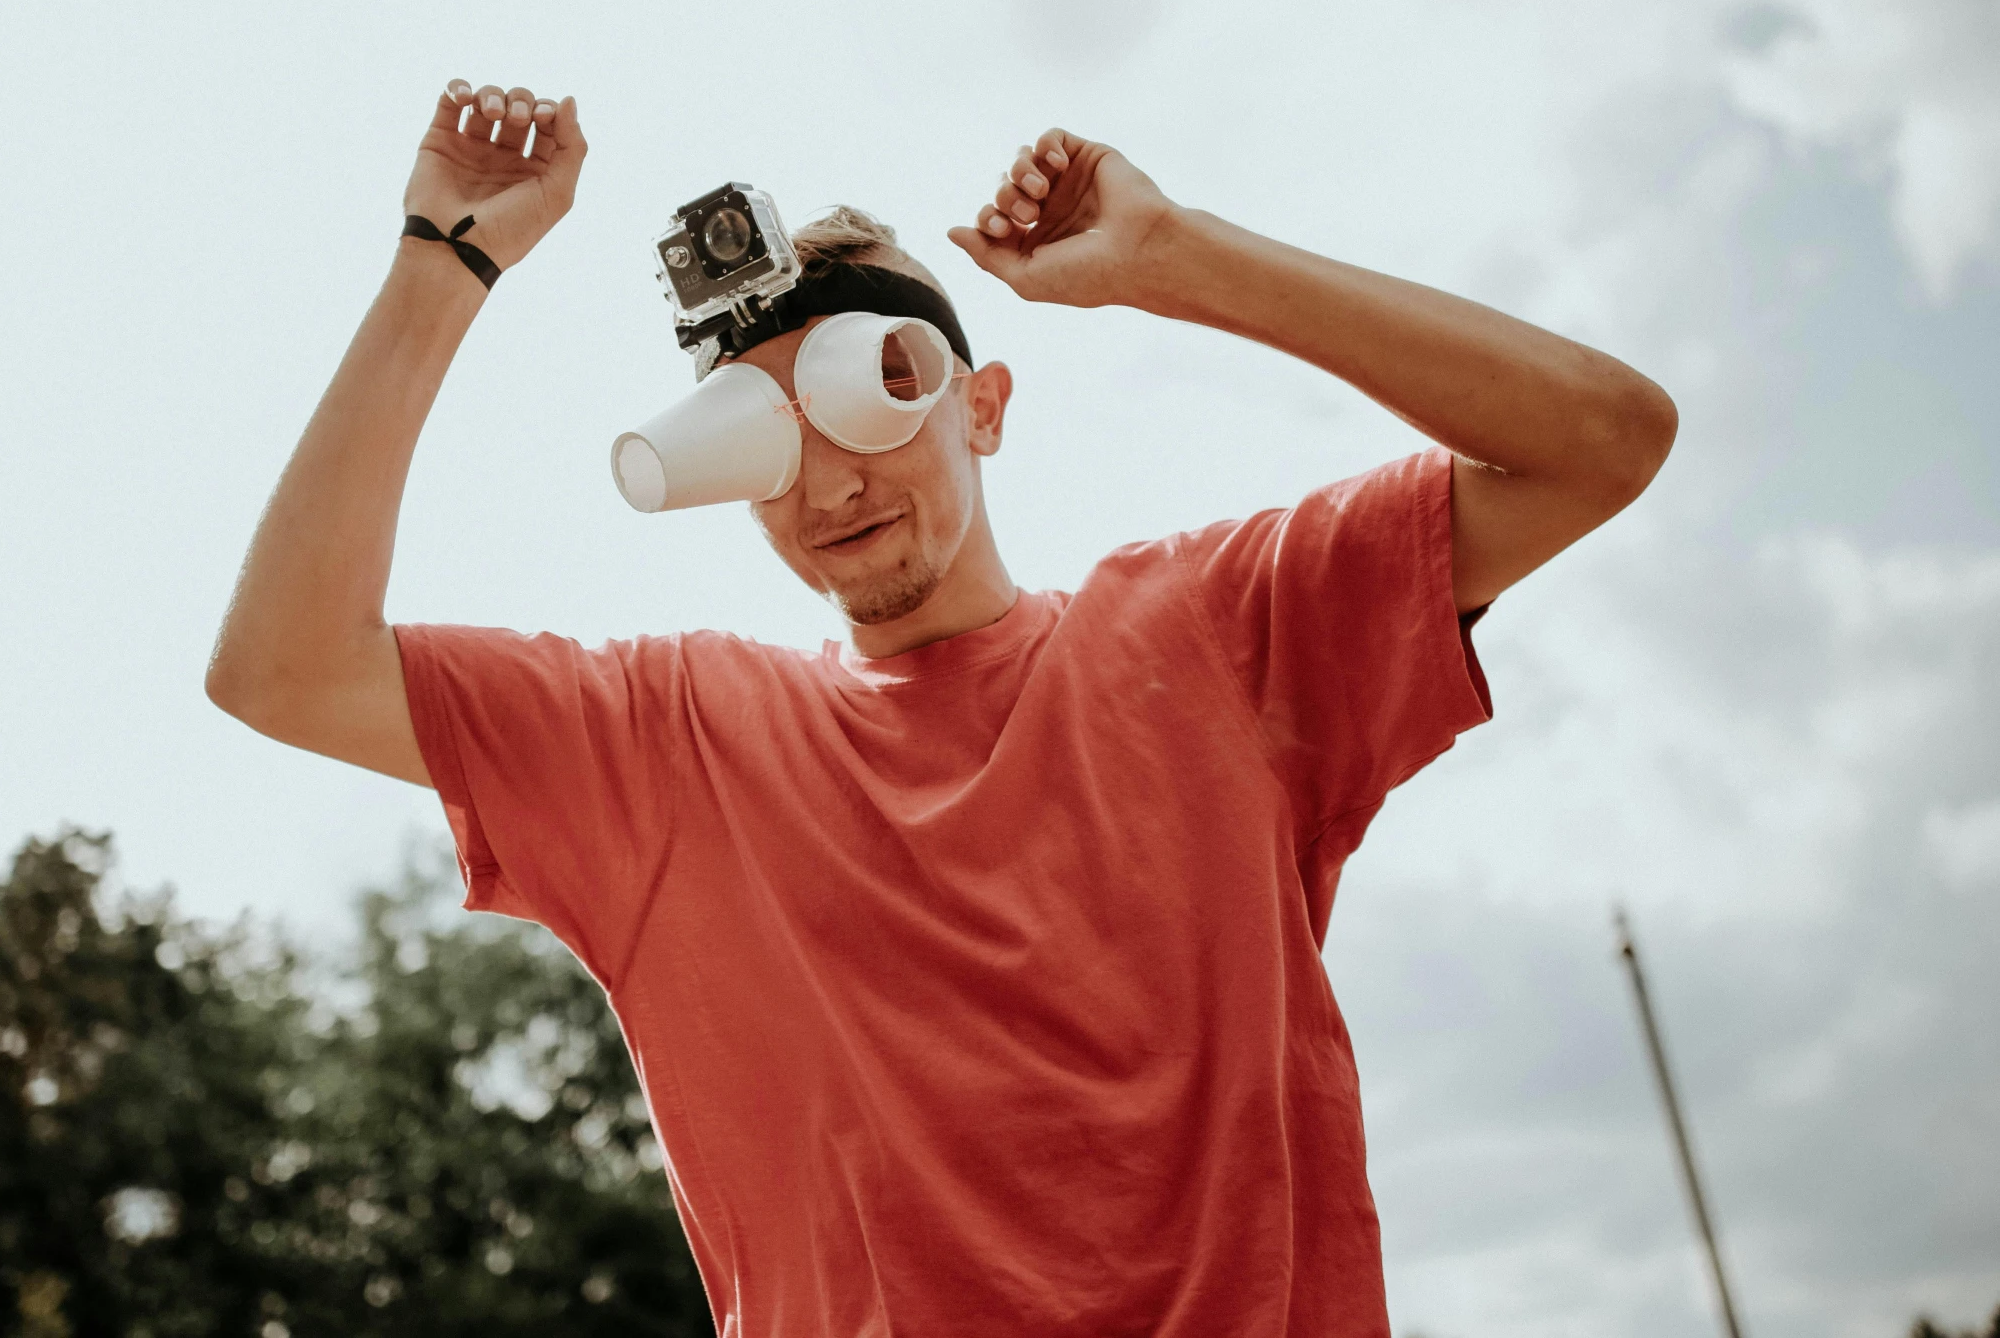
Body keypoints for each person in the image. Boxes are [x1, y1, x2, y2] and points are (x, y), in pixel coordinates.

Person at [207, 78, 1677, 1336]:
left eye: (873, 397)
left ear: (982, 405)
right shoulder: (671, 748)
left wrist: (1175, 256)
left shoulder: (1216, 632)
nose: (831, 483)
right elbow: (280, 665)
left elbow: (1601, 440)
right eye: (763, 439)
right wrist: (435, 266)